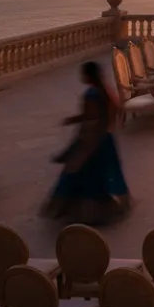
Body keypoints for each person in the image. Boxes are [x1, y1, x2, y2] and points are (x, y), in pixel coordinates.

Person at [42, 62, 130, 225]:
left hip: (93, 141)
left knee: (80, 174)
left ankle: (85, 213)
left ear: (89, 76)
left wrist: (78, 136)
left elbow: (89, 117)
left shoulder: (91, 94)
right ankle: (106, 208)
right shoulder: (107, 91)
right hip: (106, 139)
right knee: (102, 177)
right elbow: (111, 112)